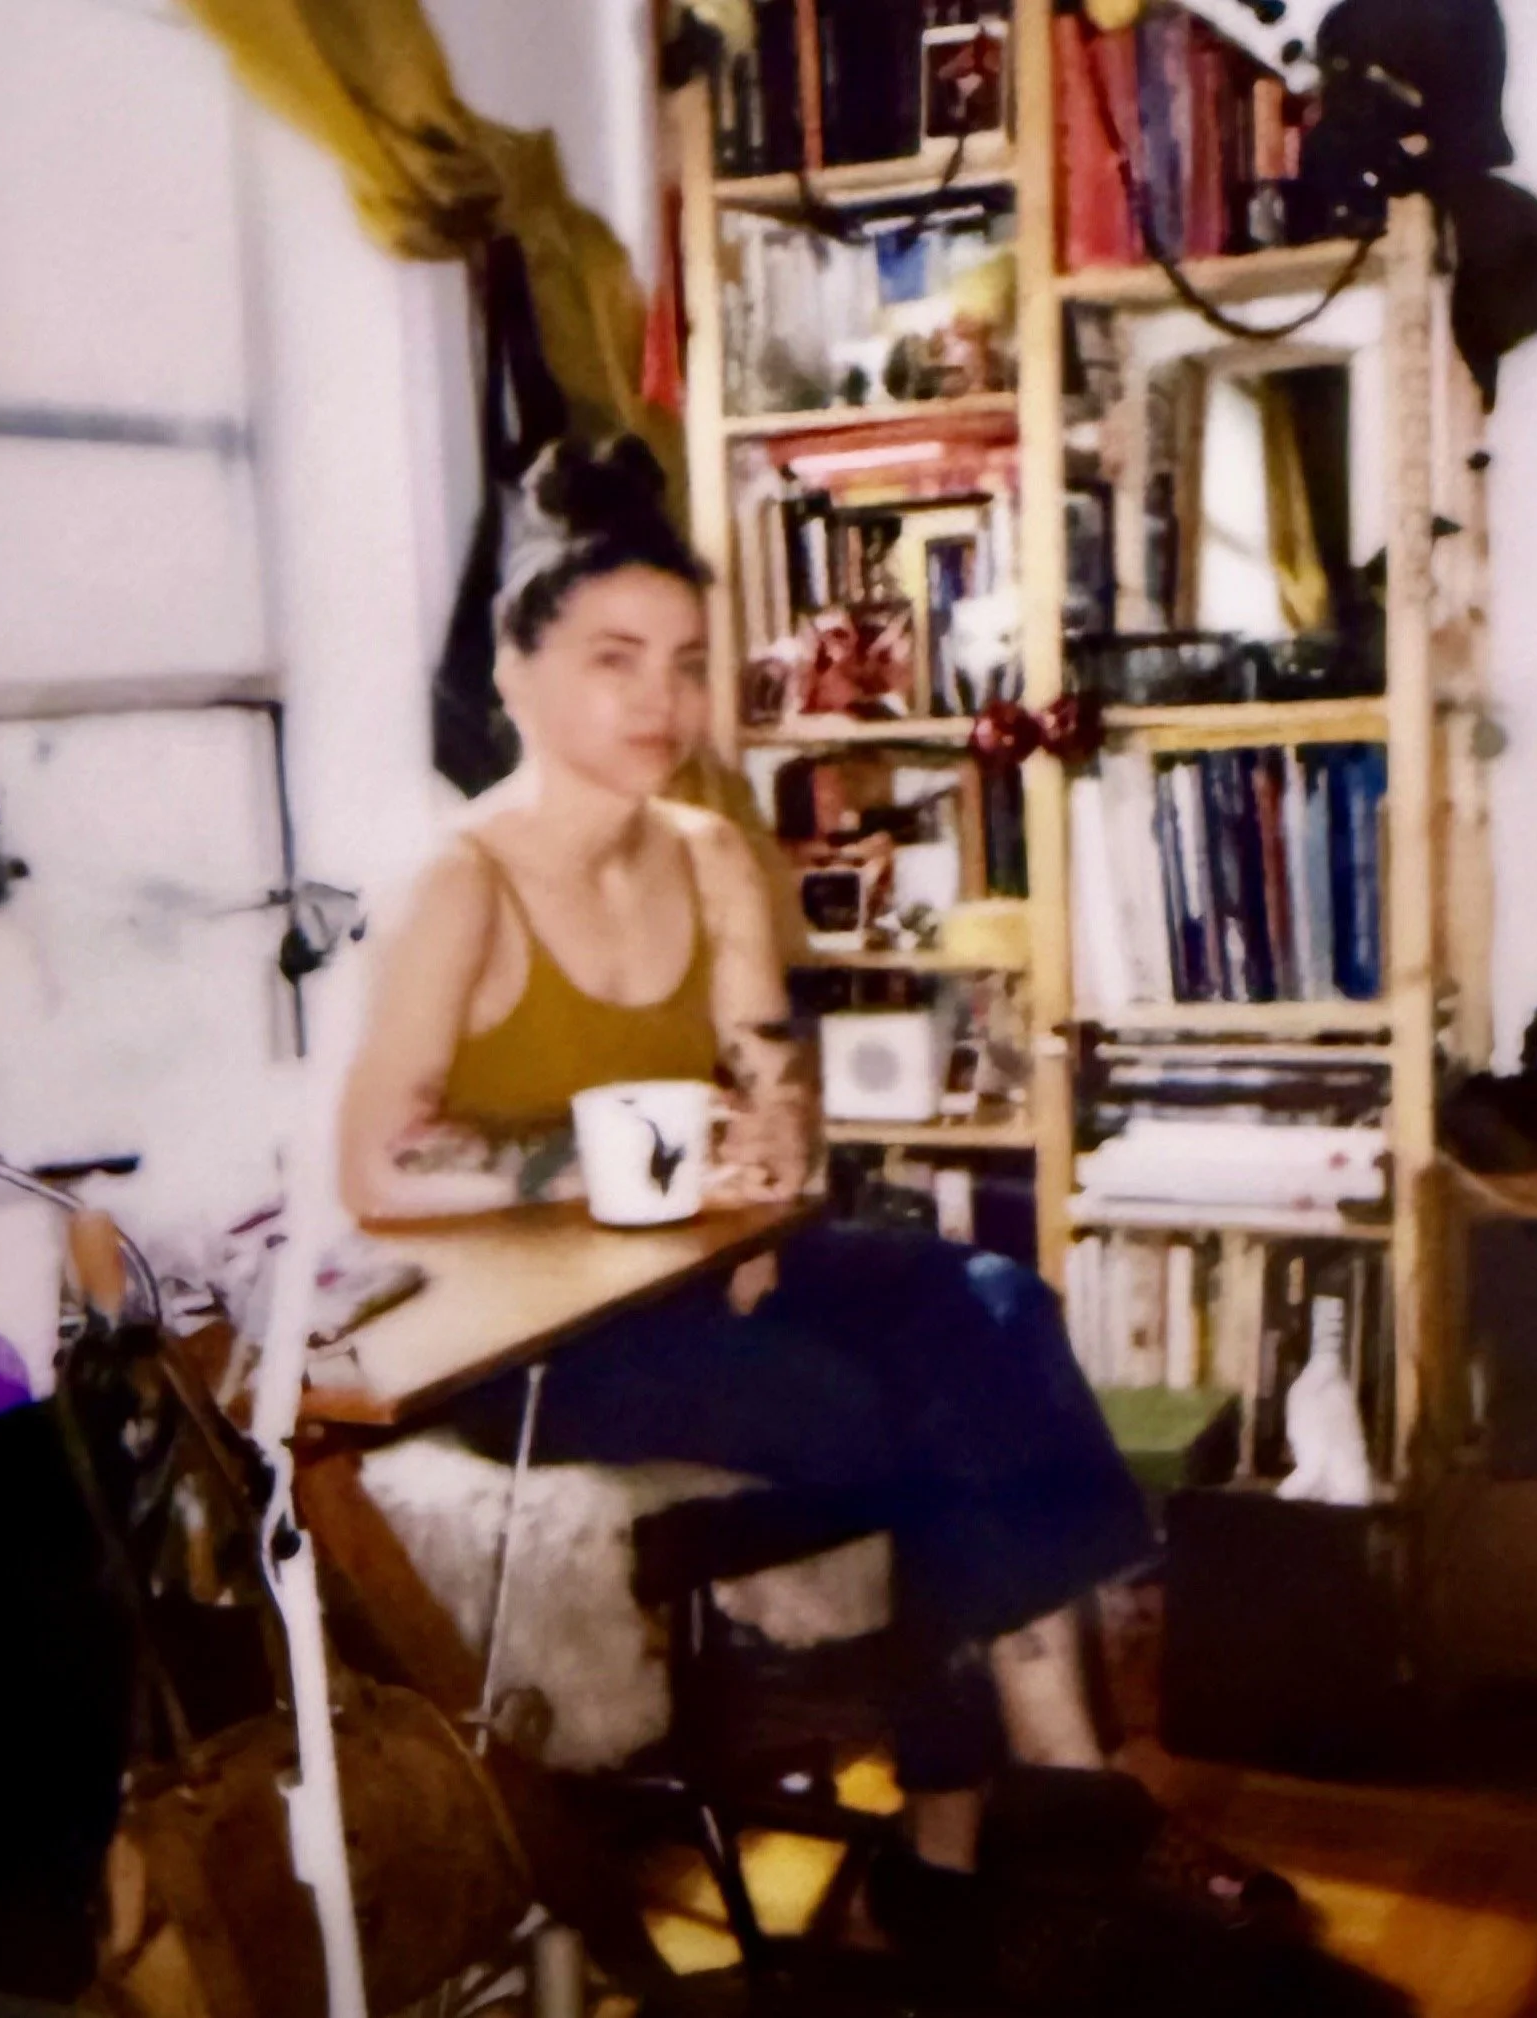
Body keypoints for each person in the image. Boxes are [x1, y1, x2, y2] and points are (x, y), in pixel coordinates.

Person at [338, 436, 1155, 1949]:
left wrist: (780, 1152)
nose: (660, 698)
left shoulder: (712, 853)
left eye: (688, 663)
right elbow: (375, 1165)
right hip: (539, 1345)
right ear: (516, 676)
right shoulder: (456, 882)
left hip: (702, 1275)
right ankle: (988, 1816)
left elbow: (764, 1059)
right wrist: (569, 1160)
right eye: (614, 659)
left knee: (993, 1298)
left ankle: (1020, 1807)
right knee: (926, 1410)